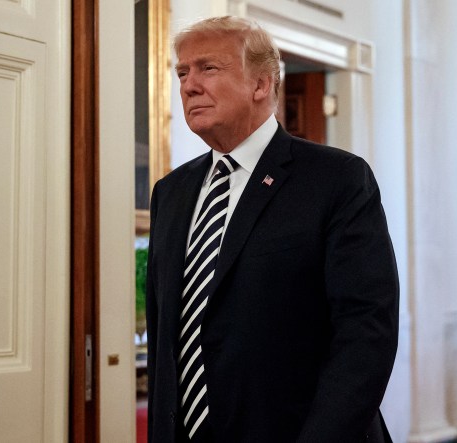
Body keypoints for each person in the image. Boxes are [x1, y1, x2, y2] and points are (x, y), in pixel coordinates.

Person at [146, 16, 399, 442]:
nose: (189, 85)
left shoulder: (336, 179)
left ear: (261, 85)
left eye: (208, 68)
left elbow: (366, 332)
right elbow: (166, 341)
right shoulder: (170, 193)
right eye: (183, 72)